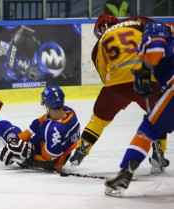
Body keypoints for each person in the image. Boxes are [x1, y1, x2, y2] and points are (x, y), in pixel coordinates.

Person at [69, 14, 169, 173]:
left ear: (102, 28)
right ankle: (159, 153)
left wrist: (122, 97)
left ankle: (80, 151)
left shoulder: (98, 46)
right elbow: (159, 32)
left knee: (98, 120)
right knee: (158, 115)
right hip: (144, 76)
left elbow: (105, 77)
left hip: (116, 85)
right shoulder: (135, 21)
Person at [105, 22, 174, 197]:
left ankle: (125, 173)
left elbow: (156, 48)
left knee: (149, 129)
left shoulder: (155, 39)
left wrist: (144, 68)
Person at [0, 86, 80, 171]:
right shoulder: (69, 113)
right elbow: (35, 127)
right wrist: (16, 141)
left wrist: (25, 154)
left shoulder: (53, 131)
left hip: (37, 157)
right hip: (53, 153)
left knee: (6, 129)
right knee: (13, 135)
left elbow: (50, 164)